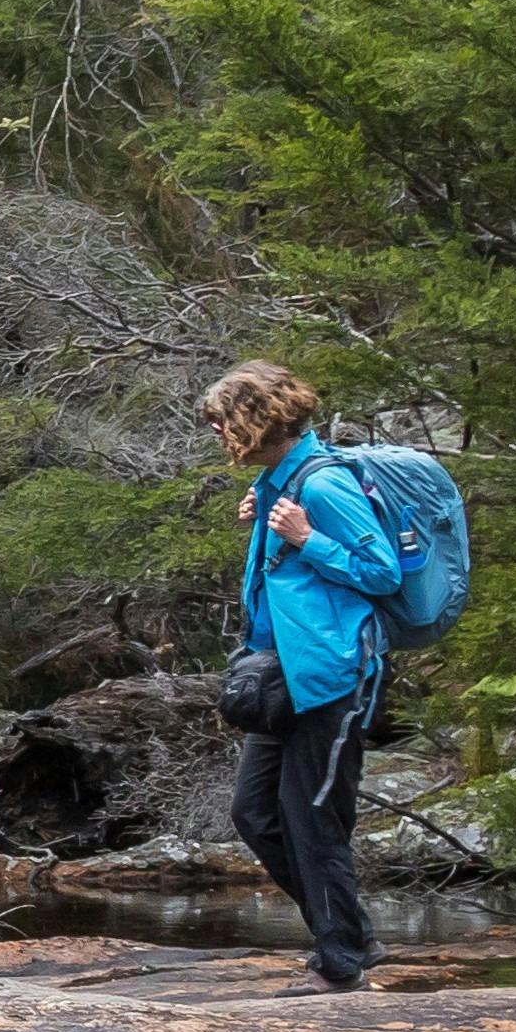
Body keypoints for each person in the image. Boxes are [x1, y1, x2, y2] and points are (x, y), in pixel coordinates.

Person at [206, 359, 398, 993]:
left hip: (335, 678)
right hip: (284, 680)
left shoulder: (321, 487)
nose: (216, 434)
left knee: (312, 819)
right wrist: (267, 519)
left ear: (256, 419)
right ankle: (352, 934)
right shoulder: (277, 483)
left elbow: (382, 573)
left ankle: (341, 963)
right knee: (255, 813)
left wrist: (308, 536)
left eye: (221, 422)